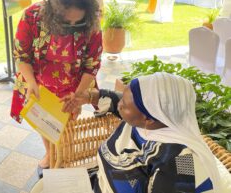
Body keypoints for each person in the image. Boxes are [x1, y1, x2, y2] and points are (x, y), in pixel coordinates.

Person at [61, 72, 224, 193]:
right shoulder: (146, 119)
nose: (119, 106)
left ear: (149, 118)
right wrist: (89, 96)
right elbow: (116, 100)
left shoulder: (180, 161)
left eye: (124, 105)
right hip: (92, 182)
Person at [10, 0, 103, 170]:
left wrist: (79, 94)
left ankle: (60, 157)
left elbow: (91, 63)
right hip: (39, 83)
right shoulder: (32, 16)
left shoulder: (91, 22)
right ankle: (51, 154)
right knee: (45, 122)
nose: (72, 25)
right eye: (66, 21)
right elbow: (21, 55)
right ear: (53, 11)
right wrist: (31, 84)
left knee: (65, 128)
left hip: (73, 85)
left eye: (78, 22)